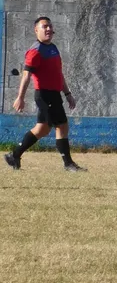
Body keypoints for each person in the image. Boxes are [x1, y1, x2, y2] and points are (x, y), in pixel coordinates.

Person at [5, 16, 86, 172]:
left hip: (54, 94)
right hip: (44, 95)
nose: (48, 29)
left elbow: (58, 74)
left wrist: (68, 93)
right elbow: (26, 76)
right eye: (44, 27)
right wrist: (20, 97)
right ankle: (68, 164)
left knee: (42, 129)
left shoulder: (53, 48)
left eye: (50, 26)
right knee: (62, 126)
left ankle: (14, 155)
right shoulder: (35, 51)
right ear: (36, 30)